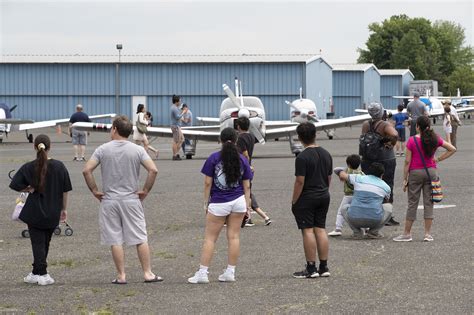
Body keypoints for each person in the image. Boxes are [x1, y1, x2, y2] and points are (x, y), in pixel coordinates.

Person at [82, 115, 162, 284]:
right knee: (140, 237)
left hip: (110, 200)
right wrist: (145, 190)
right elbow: (153, 170)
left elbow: (87, 170)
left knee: (115, 239)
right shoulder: (137, 150)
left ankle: (121, 275)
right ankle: (147, 273)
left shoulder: (103, 149)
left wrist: (95, 190)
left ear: (115, 129)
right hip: (131, 199)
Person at [188, 128, 252, 284]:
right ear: (236, 140)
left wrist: (205, 202)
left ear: (220, 140)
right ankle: (230, 272)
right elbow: (247, 185)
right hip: (238, 201)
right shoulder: (242, 159)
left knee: (210, 239)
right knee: (234, 237)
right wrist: (248, 205)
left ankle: (203, 273)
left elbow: (208, 182)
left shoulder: (214, 158)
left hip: (219, 202)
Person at [9, 134, 72, 286]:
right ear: (50, 147)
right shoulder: (60, 166)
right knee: (45, 242)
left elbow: (15, 184)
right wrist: (64, 209)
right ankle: (36, 272)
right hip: (53, 210)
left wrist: (28, 188)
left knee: (37, 243)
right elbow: (65, 190)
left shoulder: (29, 166)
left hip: (35, 211)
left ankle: (42, 273)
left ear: (34, 147)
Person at [393, 116, 456, 242]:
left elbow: (407, 162)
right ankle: (427, 234)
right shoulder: (435, 138)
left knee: (412, 203)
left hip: (415, 173)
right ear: (429, 126)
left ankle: (407, 234)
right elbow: (452, 149)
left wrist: (405, 178)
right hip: (431, 172)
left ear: (417, 127)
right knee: (429, 203)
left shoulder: (411, 141)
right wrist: (437, 159)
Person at [291, 122, 332, 279]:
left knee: (307, 230)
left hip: (307, 196)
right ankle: (324, 266)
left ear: (300, 138)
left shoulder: (302, 157)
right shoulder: (326, 154)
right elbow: (328, 178)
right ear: (315, 135)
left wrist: (294, 200)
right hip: (323, 195)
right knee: (320, 229)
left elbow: (300, 181)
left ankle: (311, 267)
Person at [360, 102, 399, 226]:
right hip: (385, 159)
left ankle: (371, 212)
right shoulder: (384, 124)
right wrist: (387, 143)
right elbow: (394, 134)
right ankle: (387, 215)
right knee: (387, 185)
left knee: (370, 185)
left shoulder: (366, 124)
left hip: (368, 159)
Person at [334, 163, 392, 239]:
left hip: (354, 219)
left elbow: (342, 175)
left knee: (344, 207)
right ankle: (373, 232)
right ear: (382, 174)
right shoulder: (386, 187)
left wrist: (341, 170)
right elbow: (386, 200)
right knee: (389, 207)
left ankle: (357, 232)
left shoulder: (358, 178)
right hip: (374, 220)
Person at [235, 117, 271, 226]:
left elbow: (245, 153)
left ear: (238, 126)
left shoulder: (240, 138)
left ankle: (247, 216)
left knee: (244, 192)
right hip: (249, 167)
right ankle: (254, 215)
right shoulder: (251, 136)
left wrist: (246, 165)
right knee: (248, 191)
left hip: (244, 168)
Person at [328, 154, 363, 237]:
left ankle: (338, 228)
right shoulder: (361, 173)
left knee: (341, 212)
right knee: (359, 212)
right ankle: (365, 228)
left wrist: (343, 170)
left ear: (348, 164)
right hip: (358, 196)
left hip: (347, 195)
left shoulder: (346, 172)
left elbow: (336, 169)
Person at [170, 95, 187, 160]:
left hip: (177, 126)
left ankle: (176, 153)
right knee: (175, 141)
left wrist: (181, 109)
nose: (180, 101)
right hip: (175, 126)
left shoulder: (175, 107)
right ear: (176, 101)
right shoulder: (174, 108)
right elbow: (177, 117)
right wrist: (183, 112)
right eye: (179, 100)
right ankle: (175, 155)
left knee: (182, 139)